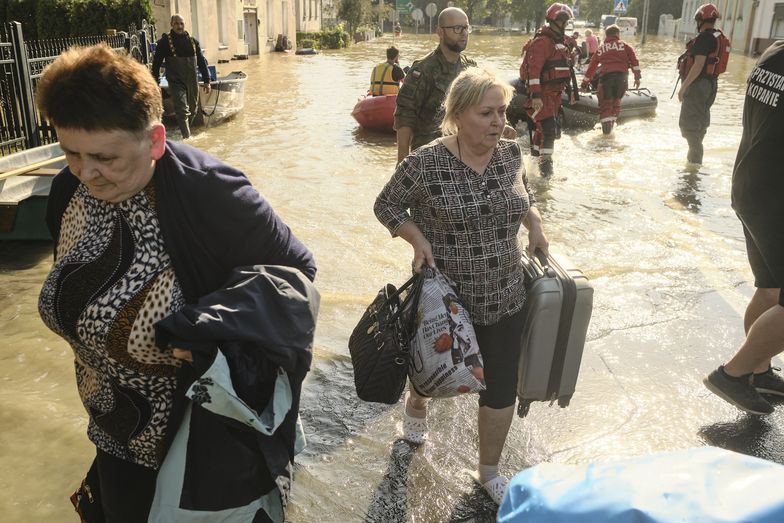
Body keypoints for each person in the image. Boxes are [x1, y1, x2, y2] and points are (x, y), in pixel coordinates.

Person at [36, 44, 318, 522]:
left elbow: (298, 278)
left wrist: (207, 327)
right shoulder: (69, 191)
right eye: (71, 153)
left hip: (197, 443)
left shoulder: (211, 192)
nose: (87, 173)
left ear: (156, 141)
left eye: (104, 156)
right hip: (111, 426)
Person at [375, 67, 549, 505]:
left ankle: (487, 469)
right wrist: (417, 240)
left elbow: (522, 192)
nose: (498, 122)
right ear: (458, 115)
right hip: (447, 297)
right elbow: (386, 204)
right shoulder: (426, 161)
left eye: (502, 112)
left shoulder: (510, 154)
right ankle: (418, 402)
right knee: (437, 370)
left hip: (506, 293)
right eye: (486, 113)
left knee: (500, 385)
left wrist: (537, 224)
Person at [703, 41, 784, 416]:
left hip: (750, 183)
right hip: (776, 196)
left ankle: (758, 370)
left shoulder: (773, 53)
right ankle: (732, 375)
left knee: (769, 290)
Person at [394, 7, 476, 164]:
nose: (464, 33)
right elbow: (405, 115)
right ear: (440, 32)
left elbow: (483, 106)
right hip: (428, 157)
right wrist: (402, 161)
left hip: (463, 154)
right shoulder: (423, 70)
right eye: (457, 28)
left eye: (466, 28)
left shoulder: (471, 69)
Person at [519, 3, 575, 177]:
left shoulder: (560, 43)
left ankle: (534, 164)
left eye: (566, 22)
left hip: (554, 95)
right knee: (549, 130)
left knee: (544, 130)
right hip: (542, 95)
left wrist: (571, 91)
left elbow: (567, 70)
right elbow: (533, 70)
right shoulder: (542, 42)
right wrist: (535, 95)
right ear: (554, 21)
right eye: (563, 21)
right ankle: (546, 172)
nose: (565, 25)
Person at [677, 3, 729, 167]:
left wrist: (684, 86)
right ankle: (693, 159)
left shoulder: (704, 38)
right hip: (711, 85)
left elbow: (698, 65)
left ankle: (693, 167)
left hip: (698, 86)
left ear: (700, 19)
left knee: (689, 127)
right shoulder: (717, 36)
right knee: (700, 125)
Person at [151, 14, 211, 139]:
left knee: (193, 109)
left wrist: (207, 81)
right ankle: (187, 138)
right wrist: (155, 82)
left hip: (192, 80)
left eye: (181, 23)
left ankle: (184, 129)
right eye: (177, 23)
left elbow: (201, 62)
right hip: (175, 81)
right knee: (182, 109)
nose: (179, 26)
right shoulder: (164, 43)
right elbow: (156, 63)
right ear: (171, 24)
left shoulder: (193, 42)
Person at [580, 24, 642, 134]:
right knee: (616, 104)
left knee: (605, 106)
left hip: (606, 79)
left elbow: (591, 68)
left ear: (606, 35)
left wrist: (584, 85)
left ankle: (606, 137)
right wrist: (637, 78)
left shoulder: (601, 49)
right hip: (622, 79)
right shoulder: (625, 46)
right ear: (618, 34)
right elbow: (635, 62)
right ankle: (611, 133)